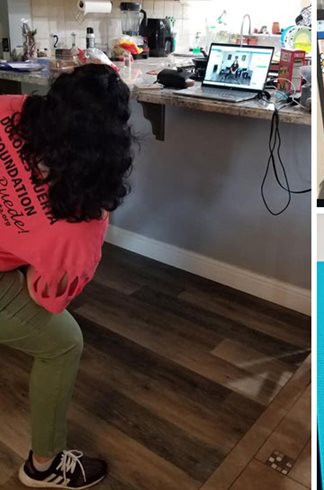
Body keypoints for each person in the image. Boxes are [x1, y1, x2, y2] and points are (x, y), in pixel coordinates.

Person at [1, 63, 135, 489]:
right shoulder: (81, 226)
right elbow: (45, 297)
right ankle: (44, 465)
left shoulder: (9, 108)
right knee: (63, 342)